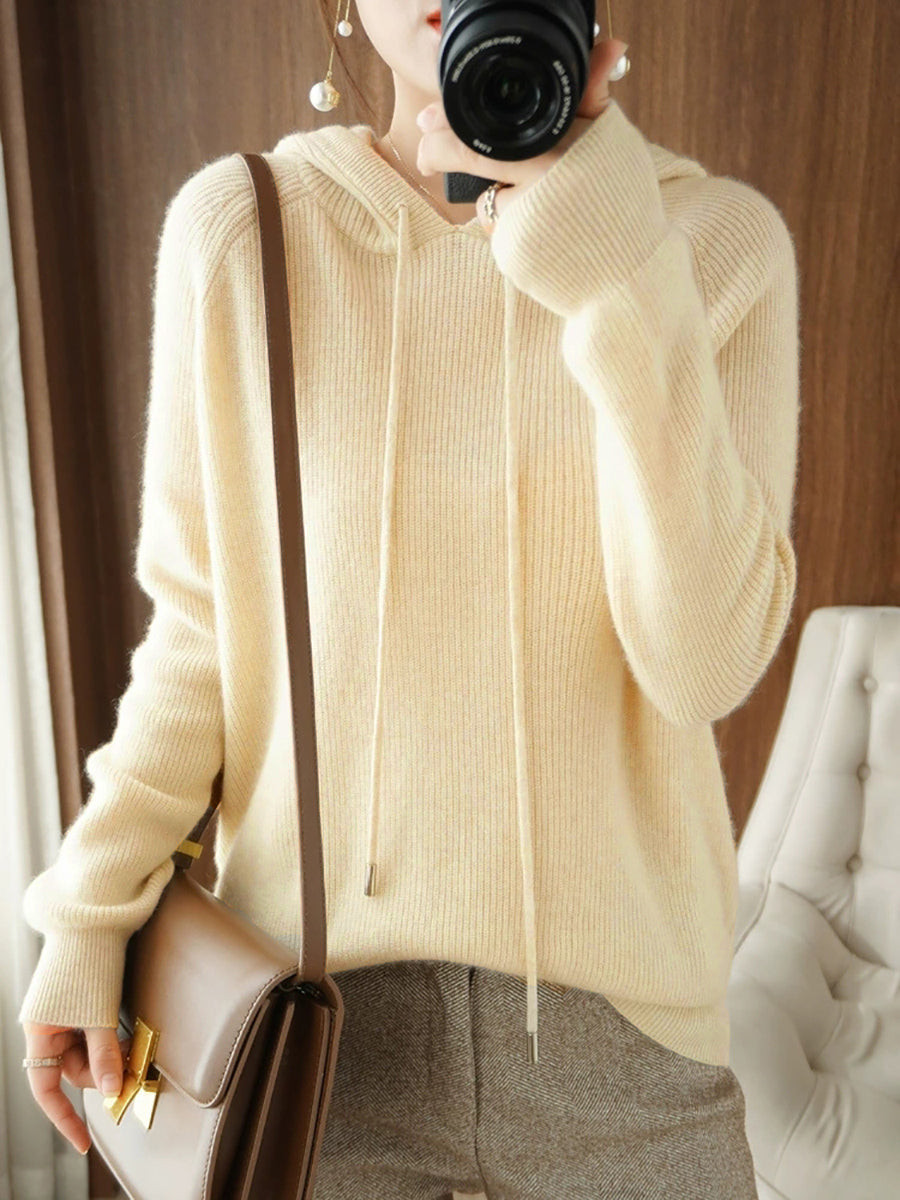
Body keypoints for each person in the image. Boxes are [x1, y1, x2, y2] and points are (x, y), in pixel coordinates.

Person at [19, 1, 800, 1196]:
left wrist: (615, 270)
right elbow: (201, 640)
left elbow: (704, 665)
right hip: (317, 1046)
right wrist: (87, 913)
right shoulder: (243, 232)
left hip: (630, 1057)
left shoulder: (714, 244)